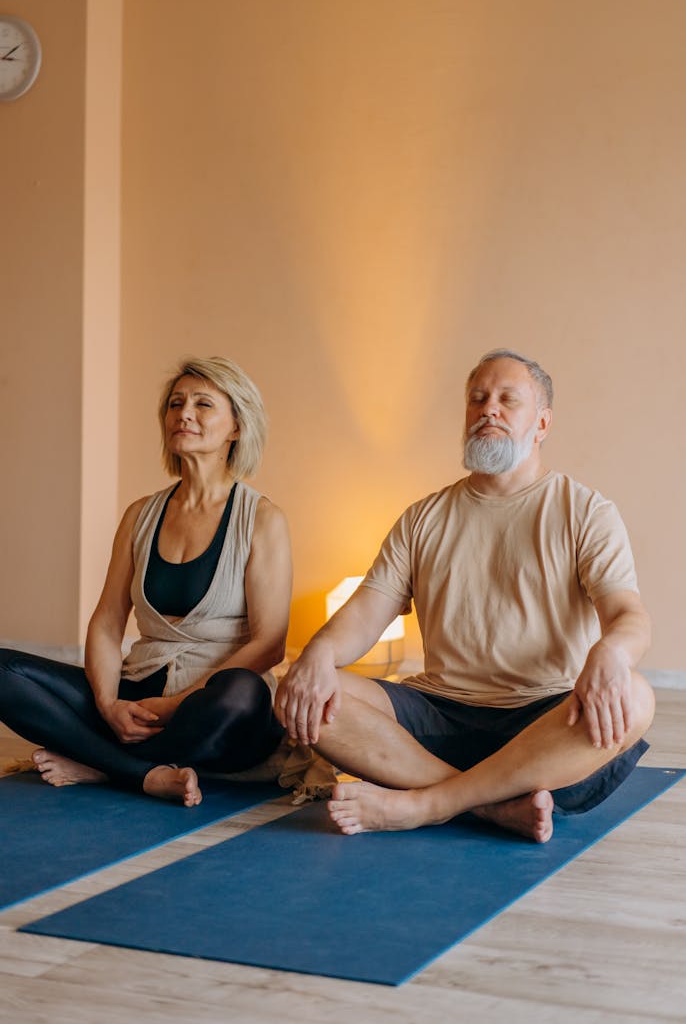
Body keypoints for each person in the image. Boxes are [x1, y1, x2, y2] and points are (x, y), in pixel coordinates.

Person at [275, 349, 655, 843]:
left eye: (506, 400)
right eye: (477, 399)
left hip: (542, 722)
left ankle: (428, 803)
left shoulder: (584, 510)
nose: (487, 410)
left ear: (541, 423)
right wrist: (318, 654)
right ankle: (489, 807)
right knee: (307, 691)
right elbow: (367, 611)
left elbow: (629, 615)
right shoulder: (423, 518)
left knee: (638, 697)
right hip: (439, 715)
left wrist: (611, 651)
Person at [0, 356, 292, 807]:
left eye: (203, 404)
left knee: (240, 692)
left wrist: (179, 704)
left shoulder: (261, 519)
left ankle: (102, 764)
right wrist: (108, 703)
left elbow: (271, 643)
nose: (184, 414)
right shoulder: (141, 514)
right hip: (141, 691)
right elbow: (107, 620)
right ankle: (143, 771)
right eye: (176, 404)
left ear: (236, 427)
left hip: (215, 709)